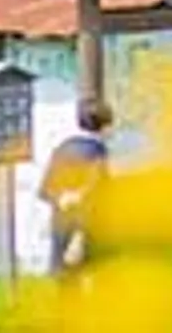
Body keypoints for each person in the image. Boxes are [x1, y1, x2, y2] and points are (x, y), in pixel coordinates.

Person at [41, 97, 112, 269]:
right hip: (87, 230)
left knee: (63, 285)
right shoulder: (97, 152)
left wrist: (60, 198)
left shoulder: (62, 148)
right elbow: (96, 191)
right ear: (105, 126)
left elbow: (44, 189)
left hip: (60, 226)